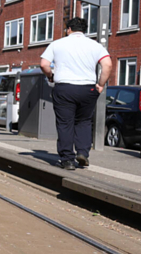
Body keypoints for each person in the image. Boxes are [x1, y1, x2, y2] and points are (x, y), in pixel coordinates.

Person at [40, 17, 112, 170]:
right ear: (84, 30)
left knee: (65, 124)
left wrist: (50, 76)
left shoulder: (57, 44)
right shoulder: (95, 45)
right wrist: (100, 85)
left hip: (64, 88)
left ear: (69, 29)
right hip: (87, 88)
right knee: (84, 121)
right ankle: (83, 153)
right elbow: (107, 65)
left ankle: (67, 160)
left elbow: (44, 64)